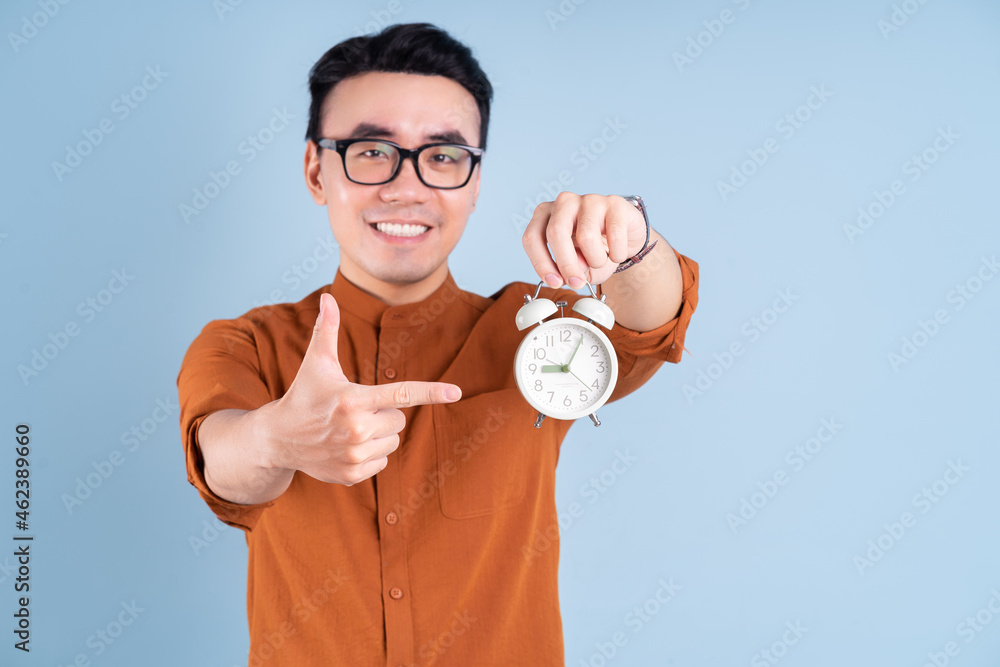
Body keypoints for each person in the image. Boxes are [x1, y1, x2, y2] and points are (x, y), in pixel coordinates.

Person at [177, 22, 698, 667]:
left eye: (444, 156)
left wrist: (630, 242)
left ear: (476, 182)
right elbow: (220, 457)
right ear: (317, 170)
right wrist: (277, 438)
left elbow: (651, 322)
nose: (407, 186)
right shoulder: (244, 344)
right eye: (371, 150)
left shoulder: (537, 328)